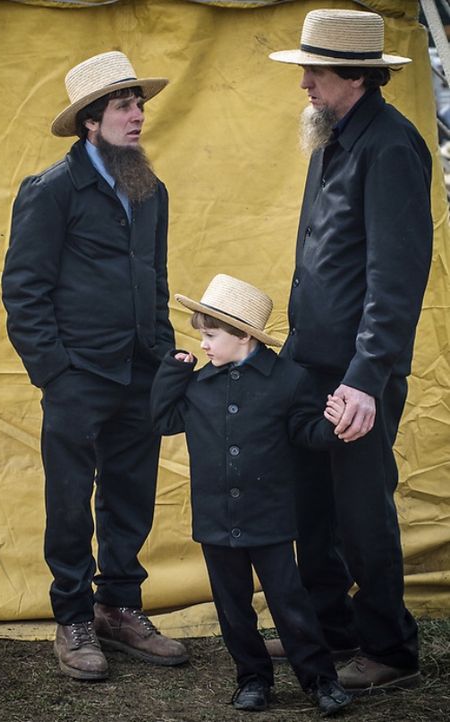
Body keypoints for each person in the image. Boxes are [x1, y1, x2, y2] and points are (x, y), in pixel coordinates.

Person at [1, 51, 188, 680]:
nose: (138, 116)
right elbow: (23, 289)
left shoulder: (150, 189)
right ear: (90, 121)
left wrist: (163, 356)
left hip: (139, 371)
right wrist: (55, 371)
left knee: (131, 495)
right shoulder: (51, 190)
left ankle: (119, 607)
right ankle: (74, 617)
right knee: (69, 500)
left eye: (139, 104)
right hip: (77, 375)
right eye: (123, 107)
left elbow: (155, 280)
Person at [266, 9, 433, 694]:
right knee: (312, 506)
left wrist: (365, 379)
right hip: (310, 362)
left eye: (316, 70)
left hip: (356, 373)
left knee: (362, 507)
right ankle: (328, 630)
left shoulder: (392, 146)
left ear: (355, 76)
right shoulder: (332, 134)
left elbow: (396, 278)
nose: (304, 82)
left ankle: (389, 648)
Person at [150, 274, 353, 716]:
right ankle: (253, 680)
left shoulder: (289, 379)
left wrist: (334, 426)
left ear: (243, 335)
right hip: (216, 518)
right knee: (233, 607)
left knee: (290, 603)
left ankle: (320, 681)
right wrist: (175, 368)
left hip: (271, 516)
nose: (203, 345)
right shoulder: (199, 384)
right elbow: (162, 420)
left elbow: (305, 431)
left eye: (210, 335)